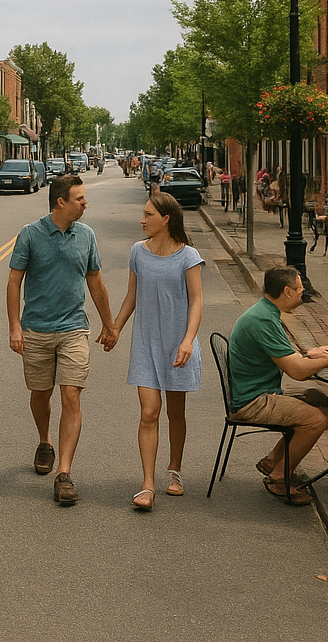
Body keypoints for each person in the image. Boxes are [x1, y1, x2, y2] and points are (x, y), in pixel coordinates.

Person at [6, 174, 117, 506]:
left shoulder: (86, 235)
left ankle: (64, 473)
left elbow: (95, 282)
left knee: (71, 397)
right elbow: (14, 282)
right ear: (61, 202)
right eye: (80, 198)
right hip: (37, 330)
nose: (85, 203)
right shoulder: (31, 234)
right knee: (41, 395)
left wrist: (109, 325)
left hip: (74, 329)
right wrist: (15, 326)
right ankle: (45, 441)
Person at [111, 193, 203, 511]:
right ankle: (147, 484)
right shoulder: (138, 251)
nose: (142, 219)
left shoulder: (188, 256)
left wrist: (188, 340)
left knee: (175, 413)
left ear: (165, 219)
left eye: (148, 214)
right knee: (149, 412)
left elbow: (196, 302)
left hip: (178, 345)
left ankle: (174, 472)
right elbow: (131, 296)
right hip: (146, 344)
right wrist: (115, 328)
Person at [225, 266, 328, 505]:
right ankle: (278, 477)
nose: (302, 293)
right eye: (299, 289)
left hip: (255, 391)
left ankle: (273, 460)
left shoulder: (265, 312)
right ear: (287, 291)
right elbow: (297, 371)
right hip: (252, 401)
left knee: (318, 399)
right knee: (316, 420)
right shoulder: (263, 319)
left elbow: (286, 356)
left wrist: (310, 354)